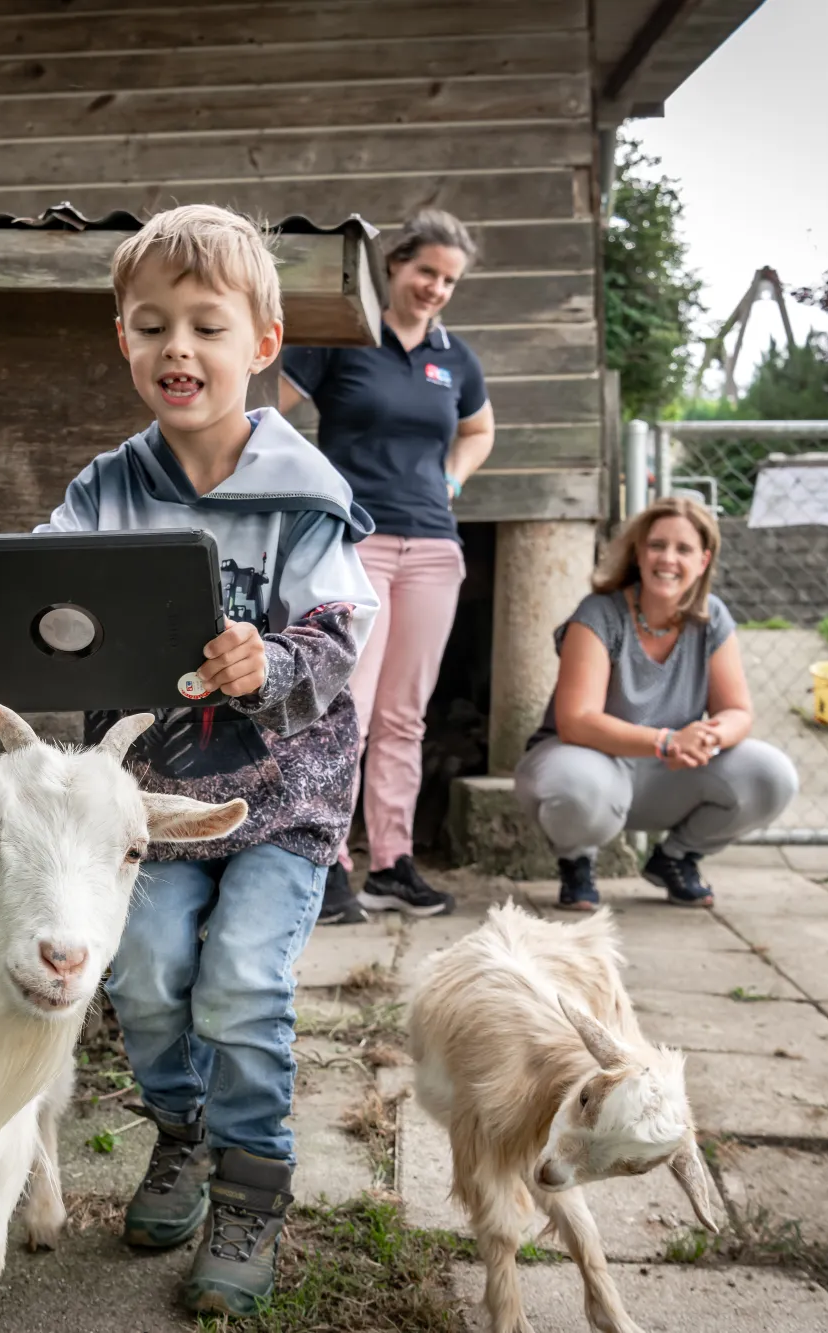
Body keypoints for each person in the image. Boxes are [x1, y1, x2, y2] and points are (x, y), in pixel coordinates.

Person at [0, 205, 378, 1316]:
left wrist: (275, 656)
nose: (178, 349)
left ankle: (251, 1189)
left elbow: (345, 629)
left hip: (278, 800)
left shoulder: (305, 497)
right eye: (151, 326)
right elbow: (25, 602)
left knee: (241, 983)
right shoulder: (108, 488)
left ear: (262, 341)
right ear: (122, 341)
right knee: (146, 976)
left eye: (207, 325)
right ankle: (182, 1137)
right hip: (137, 811)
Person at [279, 209, 495, 925]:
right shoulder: (345, 341)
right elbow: (263, 407)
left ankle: (393, 864)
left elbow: (478, 428)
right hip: (355, 543)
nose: (436, 287)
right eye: (426, 271)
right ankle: (330, 863)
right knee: (348, 709)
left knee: (406, 716)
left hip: (434, 547)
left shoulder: (454, 358)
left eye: (449, 280)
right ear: (395, 266)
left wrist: (454, 480)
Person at [514, 496, 798, 910]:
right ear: (638, 553)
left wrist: (709, 737)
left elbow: (738, 711)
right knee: (577, 785)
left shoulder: (712, 618)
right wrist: (667, 741)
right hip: (590, 760)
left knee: (772, 775)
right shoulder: (598, 614)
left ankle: (676, 859)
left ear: (703, 561)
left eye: (683, 549)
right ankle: (576, 860)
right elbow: (576, 722)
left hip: (668, 773)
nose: (668, 559)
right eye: (657, 545)